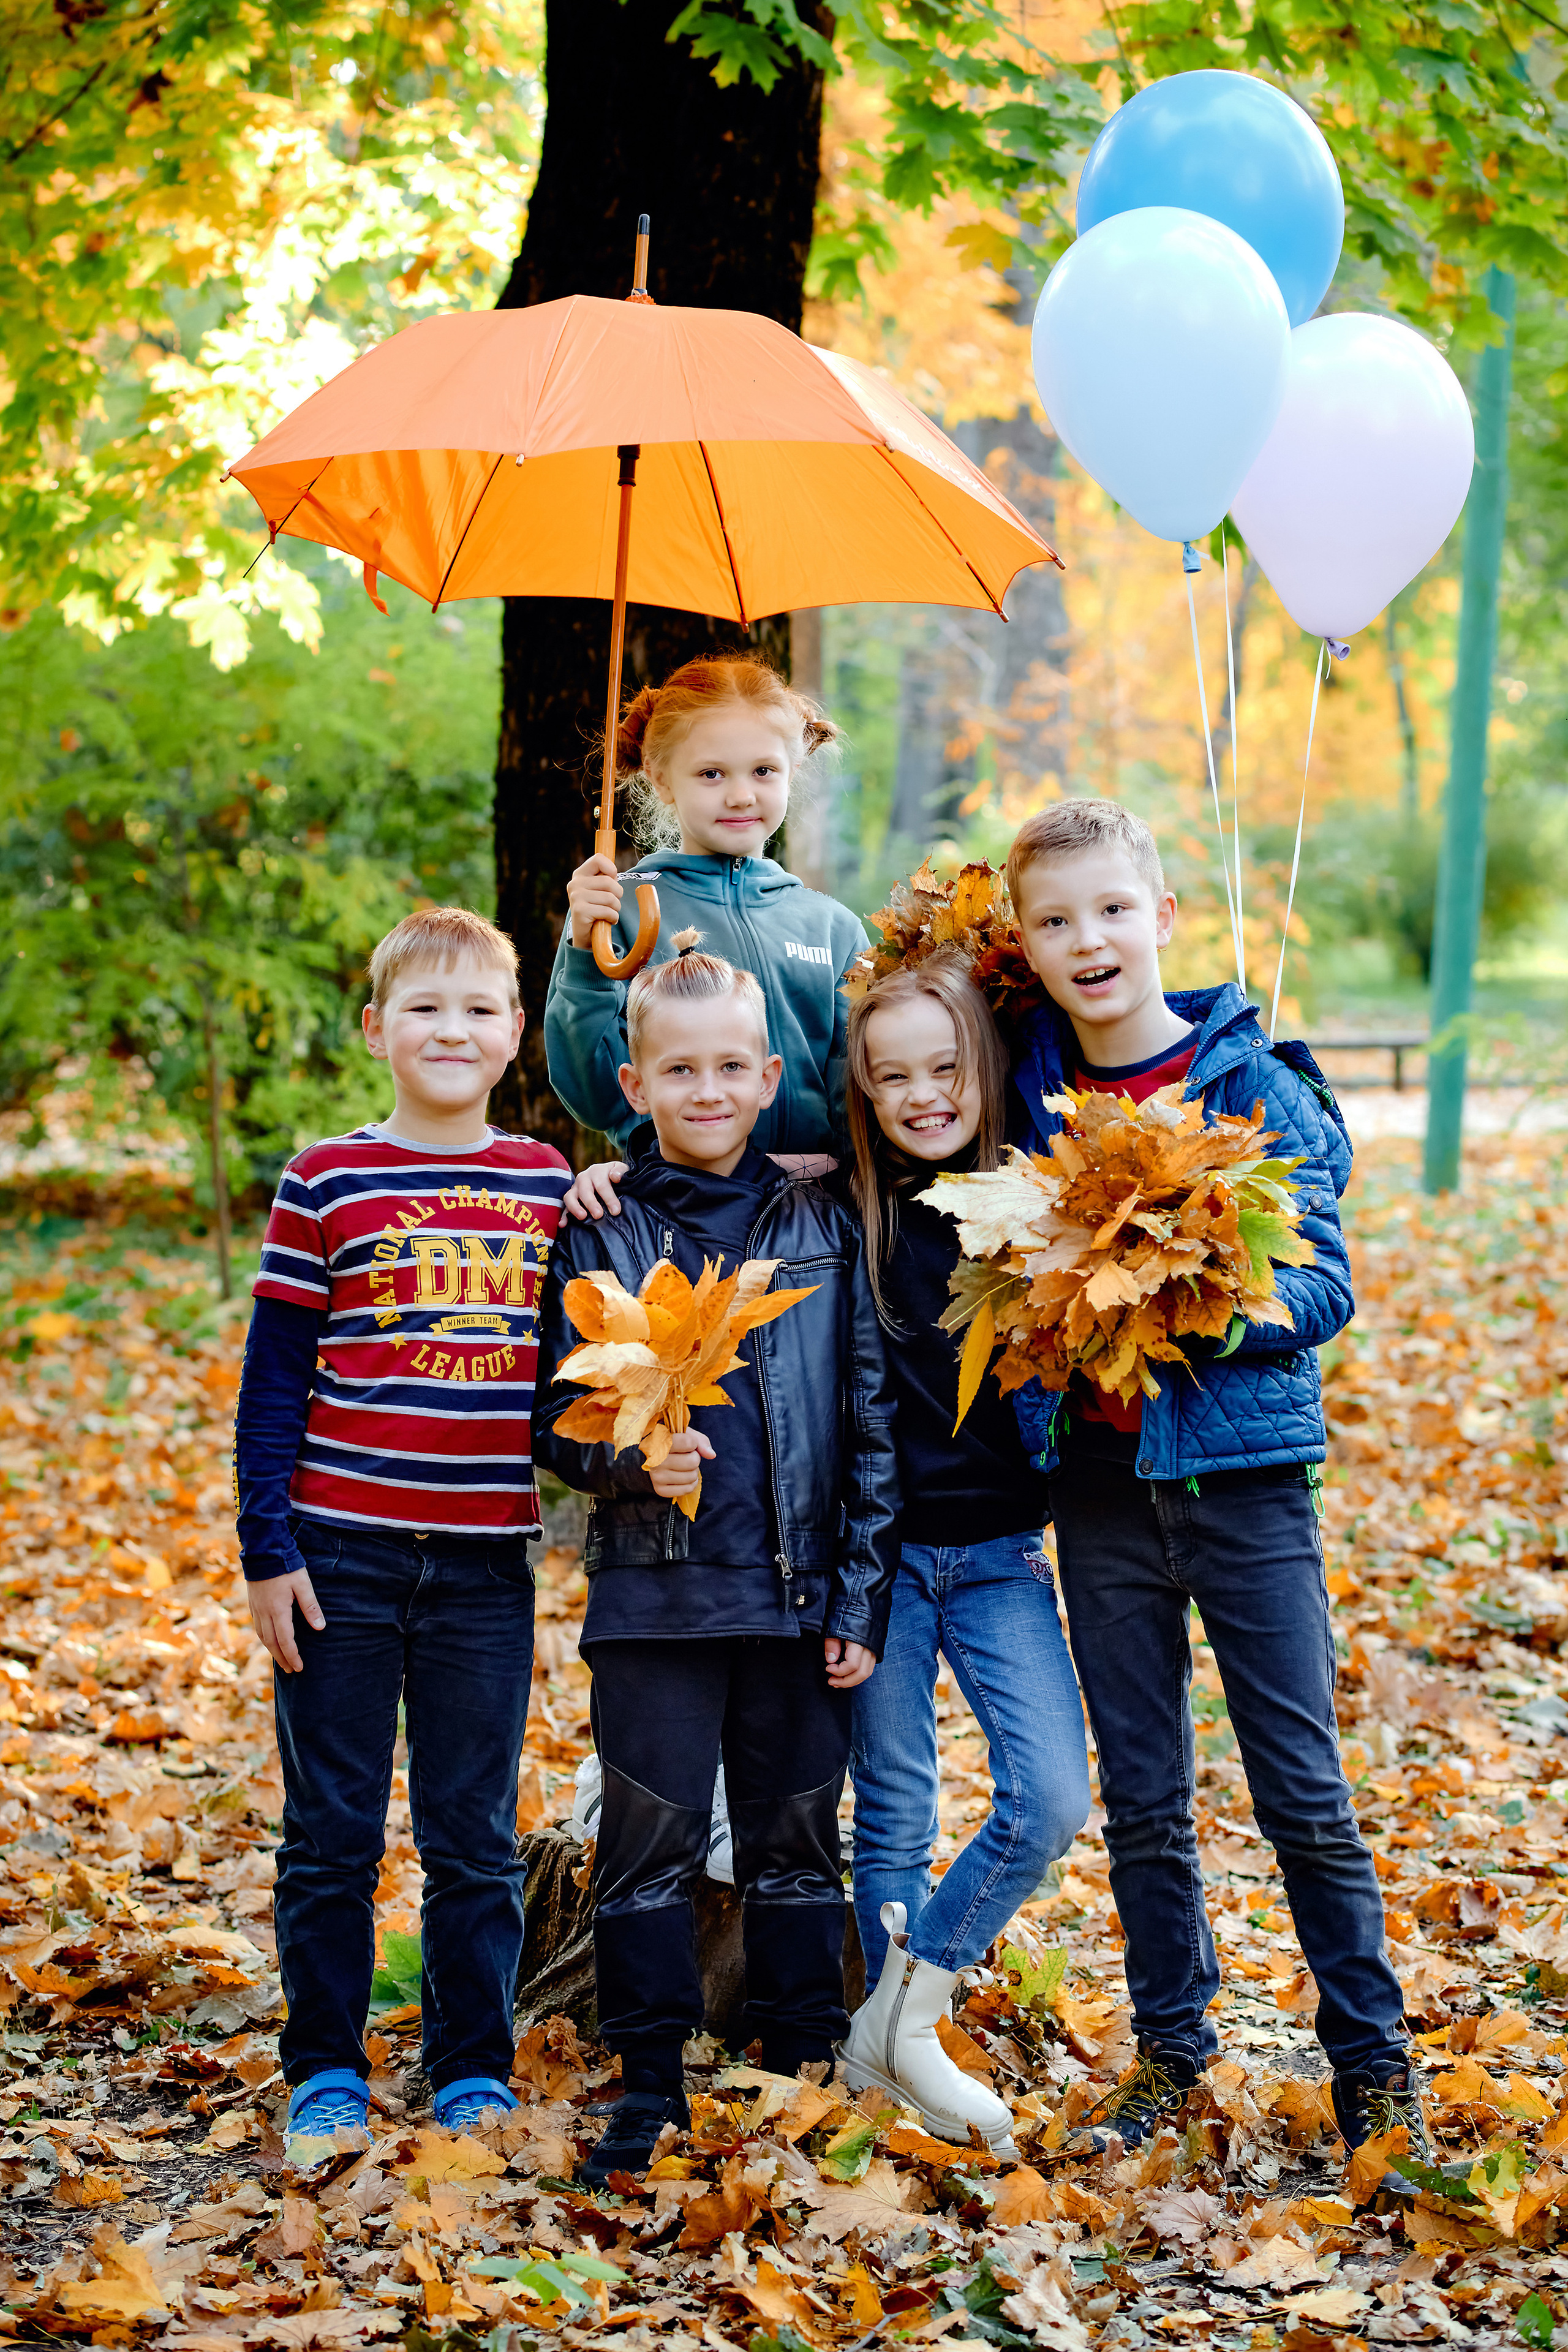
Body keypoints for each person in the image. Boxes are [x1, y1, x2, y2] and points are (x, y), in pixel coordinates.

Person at [1003, 798, 1427, 2187]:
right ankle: (1171, 2048)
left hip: (1244, 1482)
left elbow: (1327, 1284)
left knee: (1300, 1787)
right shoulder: (1027, 1086)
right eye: (1055, 920)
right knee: (1142, 1795)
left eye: (1111, 909)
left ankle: (1373, 2065)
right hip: (1100, 1490)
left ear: (1164, 916)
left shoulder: (1243, 1082)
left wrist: (1213, 1316)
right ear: (1025, 946)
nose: (1088, 938)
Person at [532, 933, 899, 2186]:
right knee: (651, 1849)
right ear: (633, 1085)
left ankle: (800, 2063)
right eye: (679, 1070)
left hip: (796, 1599)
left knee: (798, 1842)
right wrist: (637, 1464)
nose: (706, 1090)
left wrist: (859, 1597)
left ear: (768, 1078)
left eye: (731, 1067)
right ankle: (647, 2077)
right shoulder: (602, 1229)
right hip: (655, 1601)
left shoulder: (820, 1224)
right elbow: (555, 1425)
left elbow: (868, 1421)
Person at [234, 908, 570, 2161]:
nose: (452, 1029)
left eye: (478, 1009)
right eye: (425, 1008)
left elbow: (579, 1369)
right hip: (341, 1554)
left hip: (485, 1563)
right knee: (331, 1833)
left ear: (515, 1033)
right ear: (378, 1029)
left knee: (472, 1837)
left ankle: (469, 2064)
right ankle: (324, 2064)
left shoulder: (548, 1185)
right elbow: (274, 1381)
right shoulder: (325, 1178)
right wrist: (267, 1549)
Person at [835, 951, 1090, 2155]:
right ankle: (886, 2062)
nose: (923, 1094)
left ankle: (900, 2016)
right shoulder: (844, 1210)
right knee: (892, 1808)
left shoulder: (1033, 1208)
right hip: (879, 1562)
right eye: (893, 1077)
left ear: (984, 1067)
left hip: (998, 1554)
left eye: (944, 1068)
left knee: (1048, 1800)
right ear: (862, 1090)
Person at [545, 655, 868, 1175]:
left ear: (792, 771)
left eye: (763, 771)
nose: (741, 795)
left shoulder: (833, 928)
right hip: (675, 1201)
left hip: (811, 1201)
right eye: (711, 773)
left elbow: (859, 1098)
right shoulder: (618, 909)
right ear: (662, 779)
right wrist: (584, 953)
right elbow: (593, 1095)